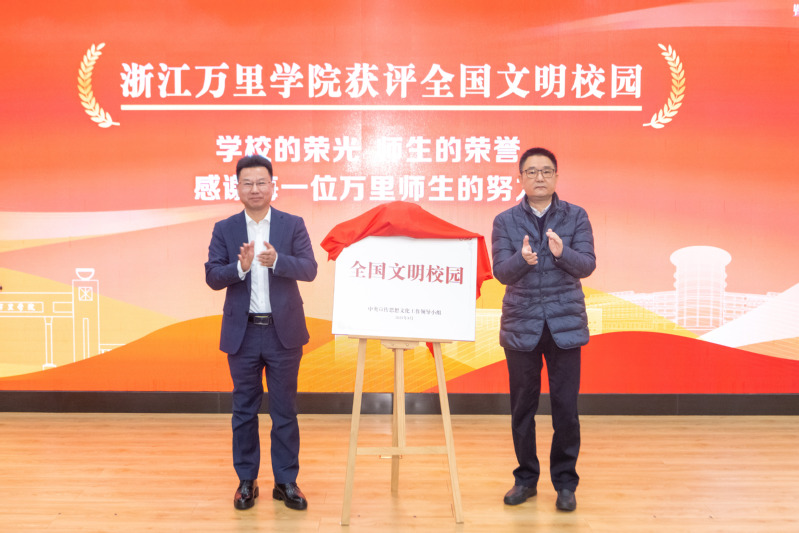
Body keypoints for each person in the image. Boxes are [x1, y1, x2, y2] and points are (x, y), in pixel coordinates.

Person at [205, 154, 318, 511]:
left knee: (285, 411)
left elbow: (310, 268)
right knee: (244, 410)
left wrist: (278, 261)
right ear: (237, 188)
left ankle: (286, 482)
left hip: (283, 333)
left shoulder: (292, 225)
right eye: (248, 183)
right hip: (243, 334)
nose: (255, 189)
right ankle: (246, 481)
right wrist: (239, 268)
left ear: (272, 186)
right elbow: (212, 276)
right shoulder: (225, 229)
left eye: (261, 182)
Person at [491, 147, 596, 512]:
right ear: (520, 178)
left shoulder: (576, 216)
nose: (539, 177)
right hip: (522, 325)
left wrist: (562, 252)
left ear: (556, 177)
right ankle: (525, 479)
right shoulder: (504, 221)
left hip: (564, 326)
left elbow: (587, 265)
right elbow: (500, 272)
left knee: (566, 408)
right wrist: (522, 260)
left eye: (546, 171)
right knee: (523, 407)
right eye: (532, 171)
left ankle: (565, 483)